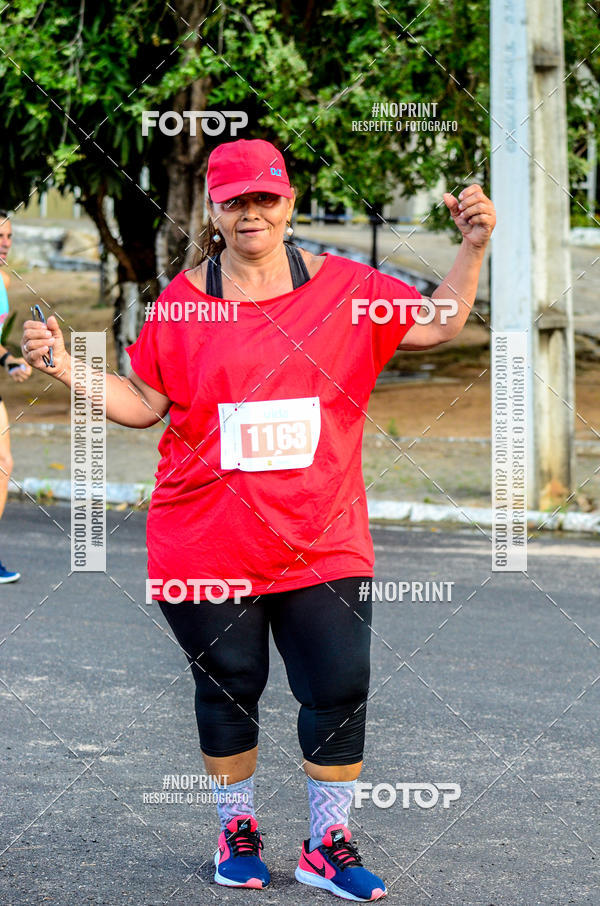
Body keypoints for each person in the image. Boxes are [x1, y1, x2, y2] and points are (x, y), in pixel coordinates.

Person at [21, 139, 496, 901]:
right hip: (205, 536)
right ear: (216, 208)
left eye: (265, 198)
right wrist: (62, 367)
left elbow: (437, 323)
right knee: (232, 684)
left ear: (289, 202)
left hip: (321, 535)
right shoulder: (182, 300)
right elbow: (143, 404)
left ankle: (328, 844)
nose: (252, 212)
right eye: (236, 199)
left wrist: (472, 247)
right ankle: (236, 830)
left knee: (340, 685)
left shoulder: (347, 289)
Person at [0, 210, 32, 582]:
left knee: (4, 461)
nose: (5, 242)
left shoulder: (3, 278)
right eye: (0, 235)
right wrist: (8, 359)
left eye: (9, 236)